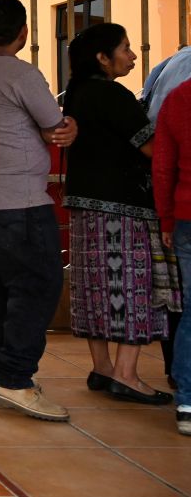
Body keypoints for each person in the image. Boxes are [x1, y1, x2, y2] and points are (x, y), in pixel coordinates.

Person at [0, 0, 76, 422]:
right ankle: (14, 377)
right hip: (21, 201)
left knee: (3, 289)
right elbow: (55, 128)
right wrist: (70, 126)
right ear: (23, 33)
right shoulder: (20, 73)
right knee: (38, 287)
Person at [62, 23, 179, 405]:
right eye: (125, 49)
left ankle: (103, 367)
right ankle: (127, 375)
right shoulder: (112, 94)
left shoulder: (77, 94)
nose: (131, 56)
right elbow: (150, 148)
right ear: (102, 57)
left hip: (84, 205)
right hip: (124, 208)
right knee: (135, 287)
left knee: (95, 286)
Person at [154, 78, 191, 433]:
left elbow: (163, 166)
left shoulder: (178, 98)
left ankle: (187, 401)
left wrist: (166, 217)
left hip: (186, 216)